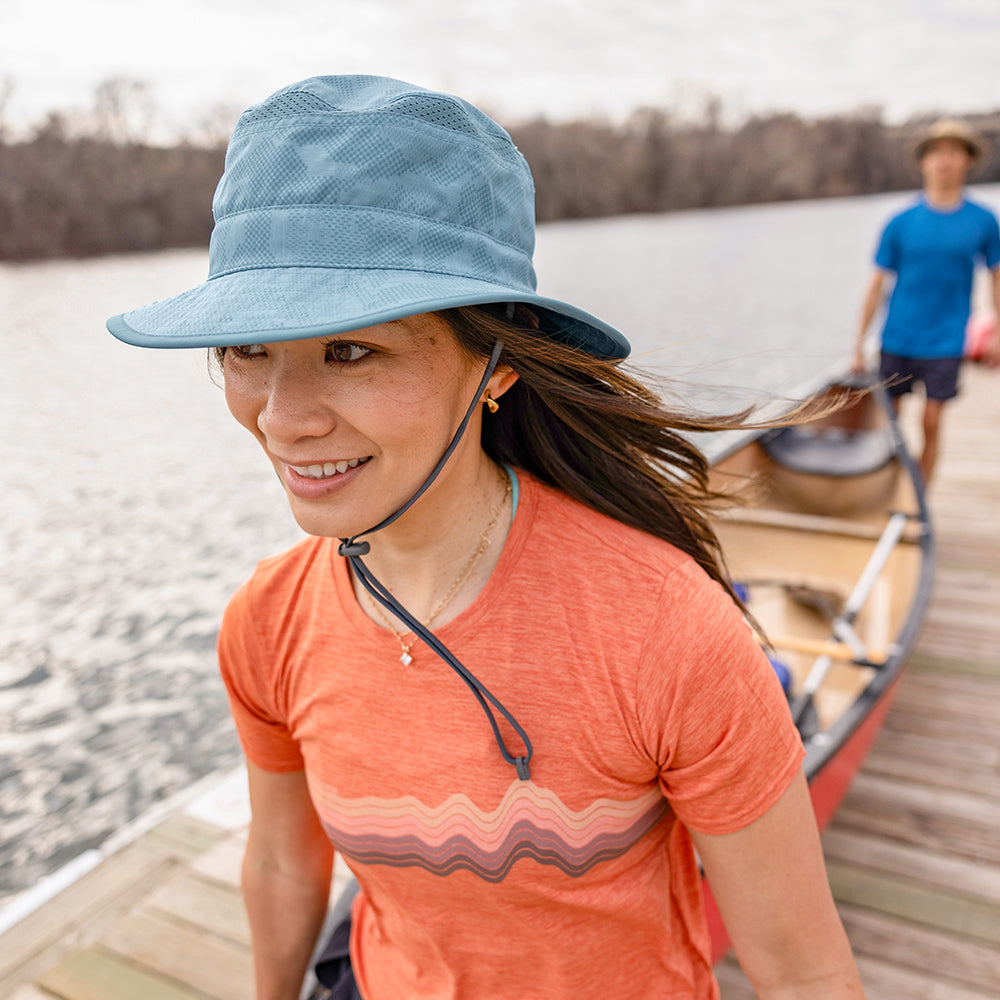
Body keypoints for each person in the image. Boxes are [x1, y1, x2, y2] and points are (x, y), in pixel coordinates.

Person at [108, 76, 864, 1000]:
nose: (281, 418)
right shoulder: (268, 622)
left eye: (350, 350)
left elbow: (804, 973)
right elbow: (279, 861)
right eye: (246, 350)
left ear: (497, 361)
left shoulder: (666, 633)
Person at [853, 117, 1000, 485]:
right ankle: (889, 489)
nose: (944, 160)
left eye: (953, 152)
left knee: (931, 422)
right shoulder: (900, 222)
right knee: (889, 423)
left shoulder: (983, 221)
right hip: (898, 337)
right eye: (936, 152)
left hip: (947, 340)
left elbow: (996, 277)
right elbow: (876, 285)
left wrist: (997, 333)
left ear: (968, 160)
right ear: (923, 162)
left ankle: (920, 498)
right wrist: (858, 345)